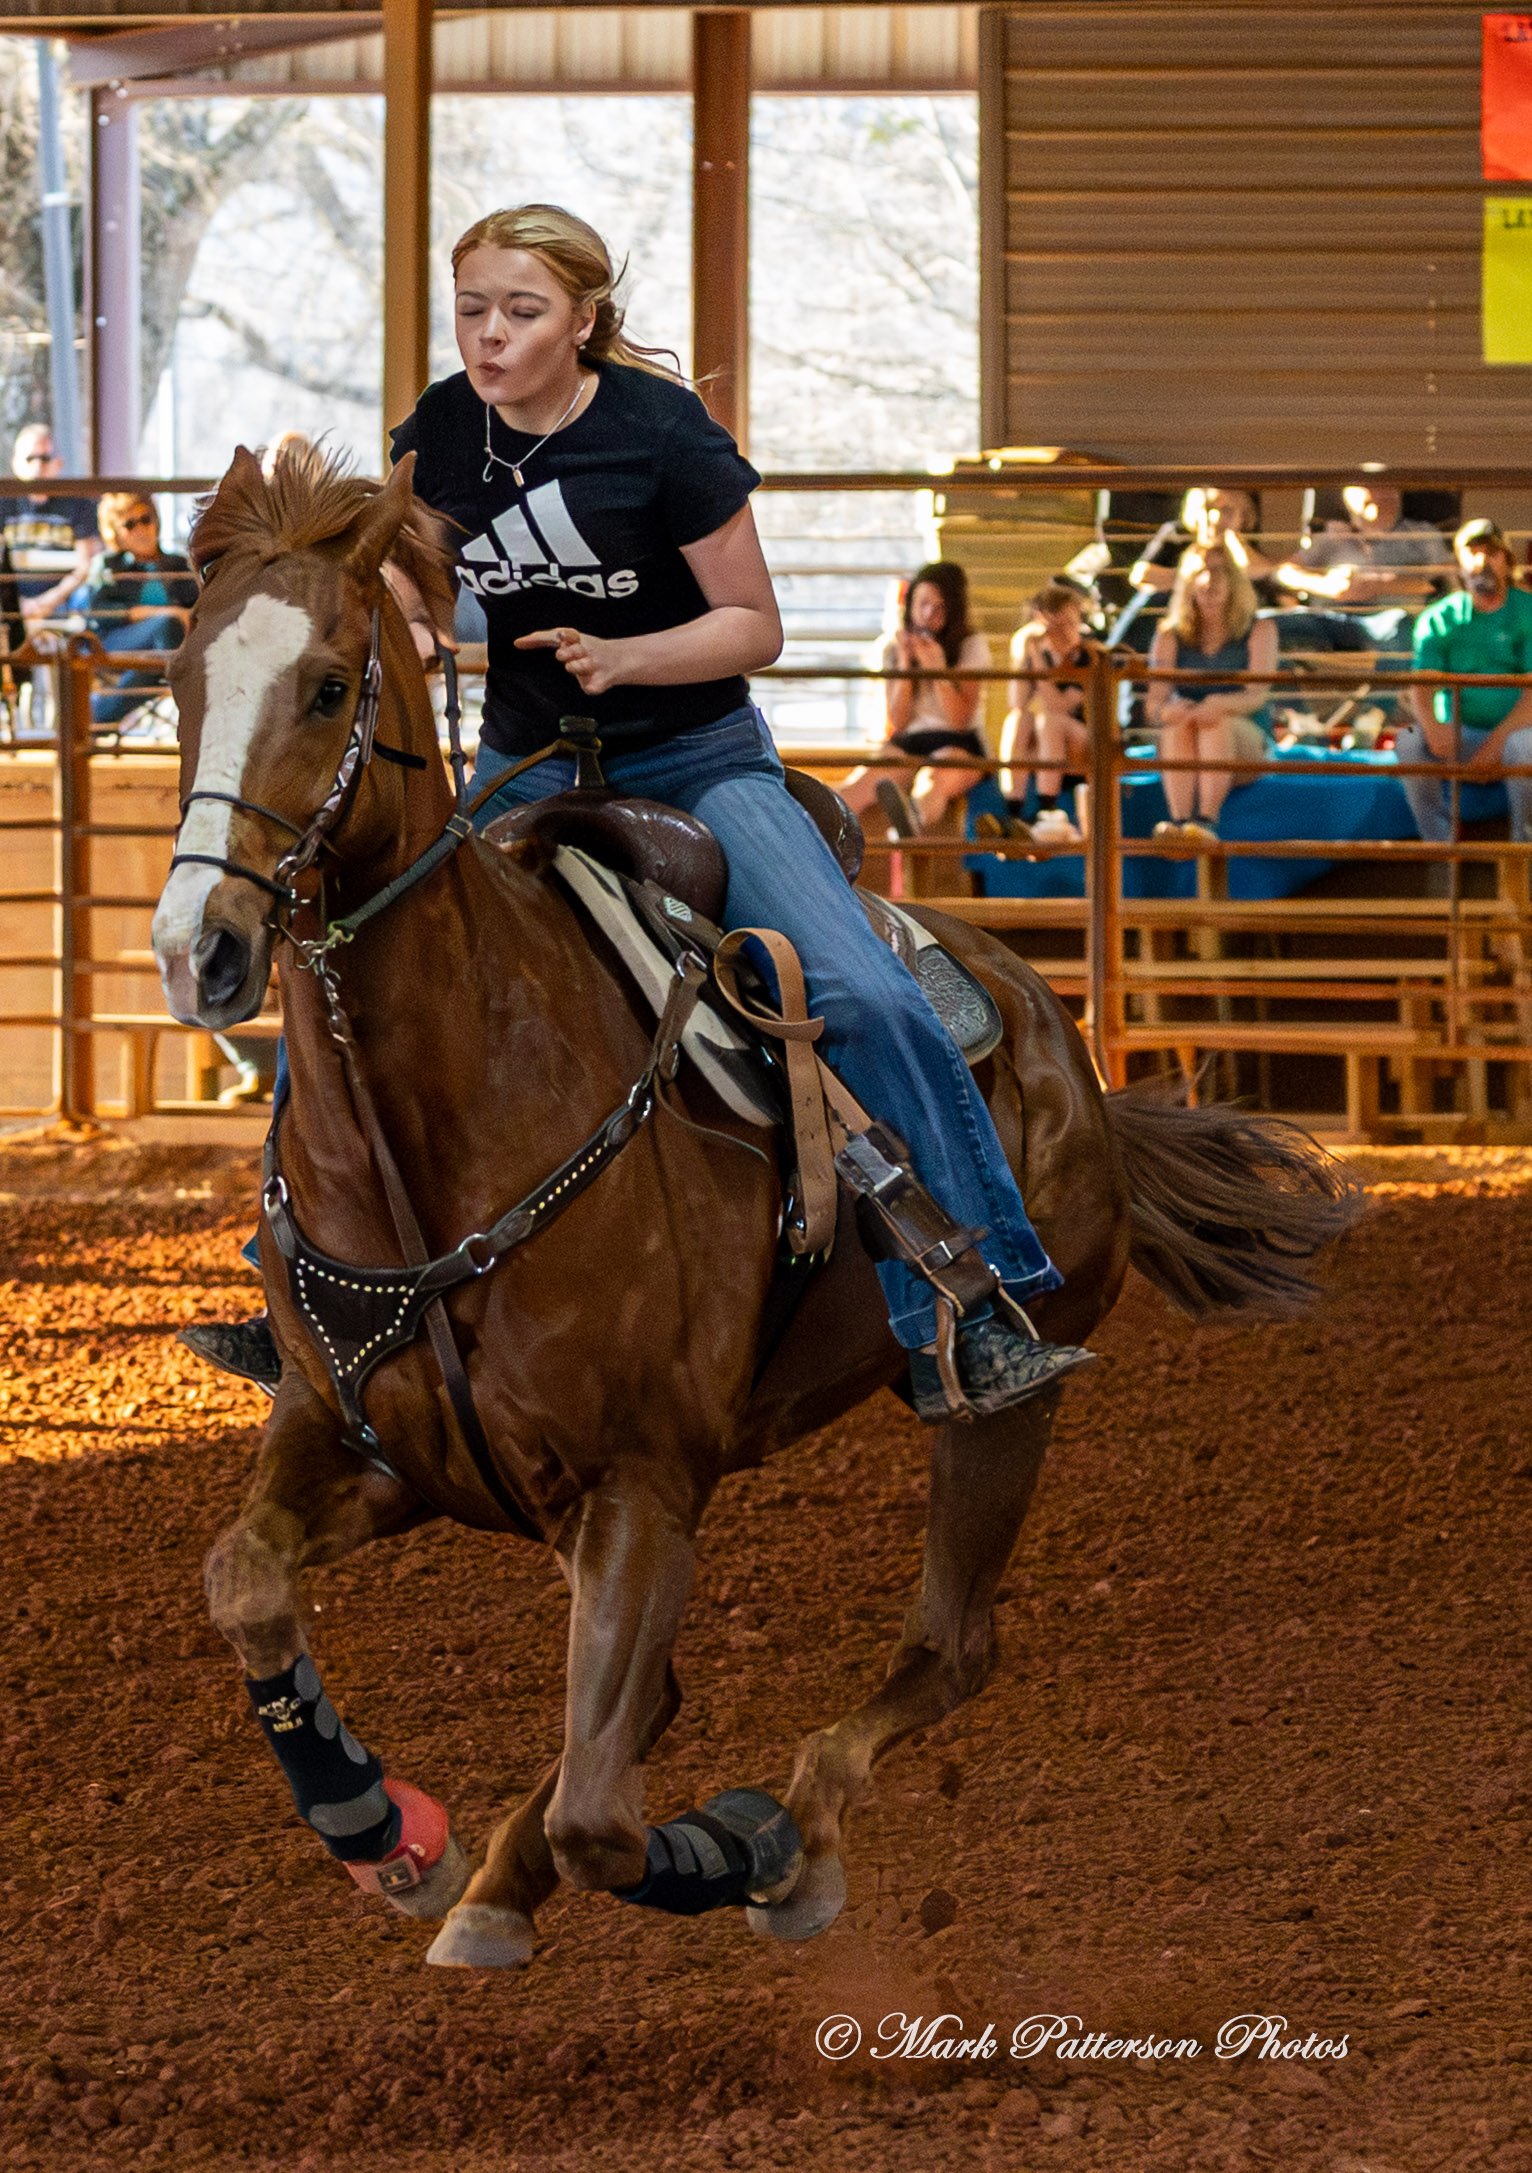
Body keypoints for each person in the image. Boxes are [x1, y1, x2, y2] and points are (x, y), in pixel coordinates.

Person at [183, 202, 1093, 1420]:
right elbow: (413, 582)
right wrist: (398, 615)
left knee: (863, 992)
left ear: (583, 321)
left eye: (521, 311)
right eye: (472, 309)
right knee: (351, 953)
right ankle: (291, 1285)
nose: (489, 335)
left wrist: (629, 658)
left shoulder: (662, 435)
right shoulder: (441, 435)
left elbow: (752, 625)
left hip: (694, 758)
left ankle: (976, 1295)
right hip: (526, 763)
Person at [1394, 518, 1532, 844]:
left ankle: (1523, 850)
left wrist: (1496, 744)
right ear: (1458, 564)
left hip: (1517, 733)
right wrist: (1432, 727)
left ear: (1507, 561)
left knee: (1525, 746)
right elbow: (1422, 686)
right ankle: (1440, 846)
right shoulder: (1438, 617)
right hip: (1457, 733)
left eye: (1492, 553)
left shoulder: (1527, 610)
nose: (1482, 562)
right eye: (1472, 553)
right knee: (1408, 739)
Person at [835, 561, 991, 838]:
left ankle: (909, 828)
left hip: (959, 743)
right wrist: (906, 665)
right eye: (923, 604)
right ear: (910, 605)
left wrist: (937, 671)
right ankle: (811, 833)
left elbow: (960, 721)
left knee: (933, 779)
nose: (928, 615)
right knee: (863, 783)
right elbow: (899, 720)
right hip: (910, 741)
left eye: (940, 607)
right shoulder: (893, 648)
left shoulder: (970, 645)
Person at [1145, 539, 1277, 842]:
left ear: (1234, 581)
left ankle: (1206, 822)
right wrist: (1168, 711)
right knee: (1177, 727)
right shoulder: (1169, 635)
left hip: (1244, 735)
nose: (1209, 582)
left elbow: (1256, 695)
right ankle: (1180, 823)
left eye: (1219, 572)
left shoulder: (1259, 630)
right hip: (1188, 731)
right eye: (1200, 573)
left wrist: (1218, 704)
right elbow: (1154, 705)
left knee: (1214, 723)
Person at [80, 494, 197, 728]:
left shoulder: (178, 564)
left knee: (157, 664)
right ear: (115, 533)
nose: (141, 529)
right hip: (116, 641)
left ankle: (97, 720)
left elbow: (199, 606)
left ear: (156, 522)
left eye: (146, 519)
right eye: (130, 524)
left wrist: (186, 615)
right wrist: (150, 613)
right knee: (167, 625)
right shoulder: (108, 565)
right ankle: (194, 703)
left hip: (169, 649)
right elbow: (96, 612)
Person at [996, 579, 1097, 843]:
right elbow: (1017, 701)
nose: (1064, 633)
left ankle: (1046, 808)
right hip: (1046, 745)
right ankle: (1014, 810)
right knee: (1019, 720)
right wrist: (1025, 654)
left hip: (1083, 740)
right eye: (1056, 626)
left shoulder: (1086, 655)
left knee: (1050, 721)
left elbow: (1061, 706)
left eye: (1070, 624)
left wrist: (1039, 666)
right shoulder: (1037, 651)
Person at [0, 425, 99, 625]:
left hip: (66, 601)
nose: (38, 466)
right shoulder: (4, 503)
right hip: (11, 601)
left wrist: (49, 601)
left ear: (58, 463)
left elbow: (85, 565)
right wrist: (15, 603)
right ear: (16, 463)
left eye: (45, 458)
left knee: (92, 598)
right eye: (30, 458)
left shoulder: (78, 503)